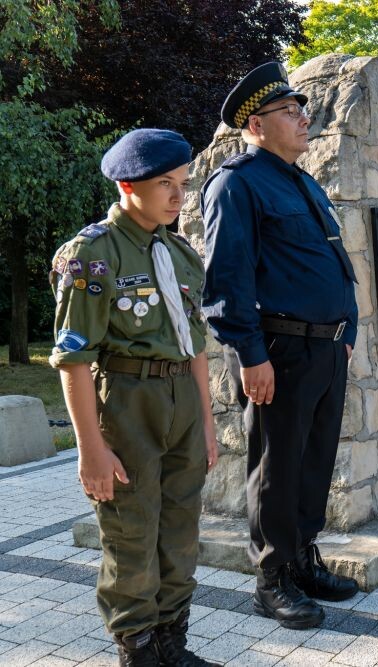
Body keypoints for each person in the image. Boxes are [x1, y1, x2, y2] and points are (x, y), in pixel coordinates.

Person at [49, 129, 218, 666]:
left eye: (182, 184)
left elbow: (194, 346)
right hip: (128, 400)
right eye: (164, 184)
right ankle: (138, 648)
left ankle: (172, 642)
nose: (177, 195)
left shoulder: (182, 254)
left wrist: (207, 427)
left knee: (179, 530)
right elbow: (73, 359)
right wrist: (90, 449)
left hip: (183, 405)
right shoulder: (94, 254)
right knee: (131, 534)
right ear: (127, 185)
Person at [201, 61, 360, 631]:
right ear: (255, 125)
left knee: (314, 463)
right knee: (276, 468)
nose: (302, 118)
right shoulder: (236, 183)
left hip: (327, 348)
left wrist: (351, 330)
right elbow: (226, 280)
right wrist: (250, 353)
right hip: (279, 350)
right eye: (289, 112)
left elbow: (338, 264)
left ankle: (303, 559)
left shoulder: (304, 181)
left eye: (301, 109)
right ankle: (272, 580)